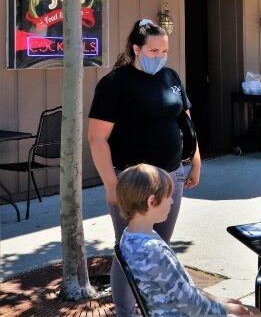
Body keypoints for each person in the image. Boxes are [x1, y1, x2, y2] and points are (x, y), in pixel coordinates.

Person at [88, 19, 202, 317]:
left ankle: (154, 308)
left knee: (159, 247)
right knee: (129, 250)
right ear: (136, 49)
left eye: (164, 50)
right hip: (132, 181)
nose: (160, 56)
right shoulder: (115, 84)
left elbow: (186, 123)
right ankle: (125, 312)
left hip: (172, 175)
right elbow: (97, 138)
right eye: (154, 50)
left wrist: (195, 160)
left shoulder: (171, 78)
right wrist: (112, 184)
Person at [116, 164, 257, 316]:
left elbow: (183, 290)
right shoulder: (153, 251)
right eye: (168, 196)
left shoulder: (129, 237)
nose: (171, 201)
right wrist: (229, 309)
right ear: (152, 202)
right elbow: (191, 305)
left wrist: (217, 299)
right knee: (252, 312)